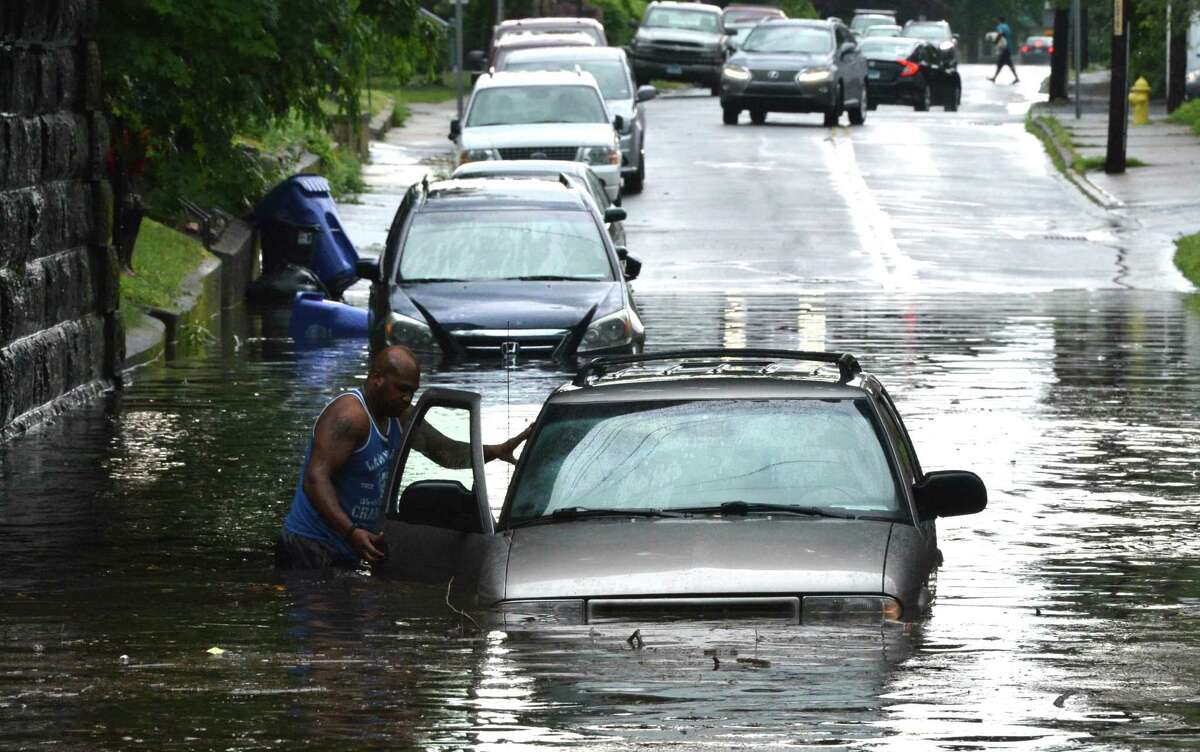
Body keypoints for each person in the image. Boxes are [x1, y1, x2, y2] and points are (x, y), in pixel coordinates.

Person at [275, 345, 530, 570]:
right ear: (377, 379)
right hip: (310, 546)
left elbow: (444, 452)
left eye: (413, 391)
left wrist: (496, 451)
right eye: (402, 389)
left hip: (350, 545)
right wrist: (351, 532)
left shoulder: (400, 416)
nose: (408, 398)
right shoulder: (350, 416)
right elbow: (314, 479)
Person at [988, 16, 1019, 84]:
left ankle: (994, 78)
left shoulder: (1000, 26)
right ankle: (994, 78)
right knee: (1004, 63)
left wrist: (996, 42)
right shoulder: (1007, 26)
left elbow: (1000, 34)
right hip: (1008, 47)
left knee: (1002, 63)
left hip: (1004, 47)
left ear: (999, 20)